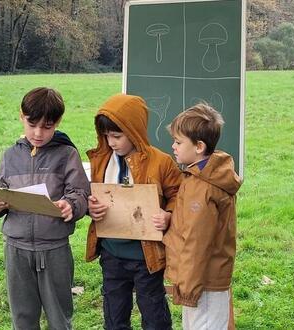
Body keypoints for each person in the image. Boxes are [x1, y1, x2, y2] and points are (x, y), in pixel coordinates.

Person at [0, 87, 90, 330]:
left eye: (47, 127)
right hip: (16, 249)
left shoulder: (67, 154)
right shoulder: (10, 156)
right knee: (22, 317)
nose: (38, 133)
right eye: (32, 124)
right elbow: (0, 192)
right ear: (21, 116)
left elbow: (80, 192)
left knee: (58, 316)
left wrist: (71, 205)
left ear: (58, 122)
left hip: (54, 250)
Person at [85, 93, 181, 330]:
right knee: (114, 317)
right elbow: (90, 195)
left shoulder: (161, 162)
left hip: (145, 257)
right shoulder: (101, 160)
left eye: (117, 136)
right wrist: (91, 209)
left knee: (154, 316)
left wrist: (169, 215)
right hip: (111, 255)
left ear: (135, 131)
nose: (111, 142)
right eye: (106, 136)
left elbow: (179, 197)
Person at [163, 103, 241, 330]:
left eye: (178, 142)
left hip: (203, 283)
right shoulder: (197, 175)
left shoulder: (203, 187)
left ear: (199, 146)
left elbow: (197, 241)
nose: (173, 146)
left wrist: (187, 287)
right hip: (200, 279)